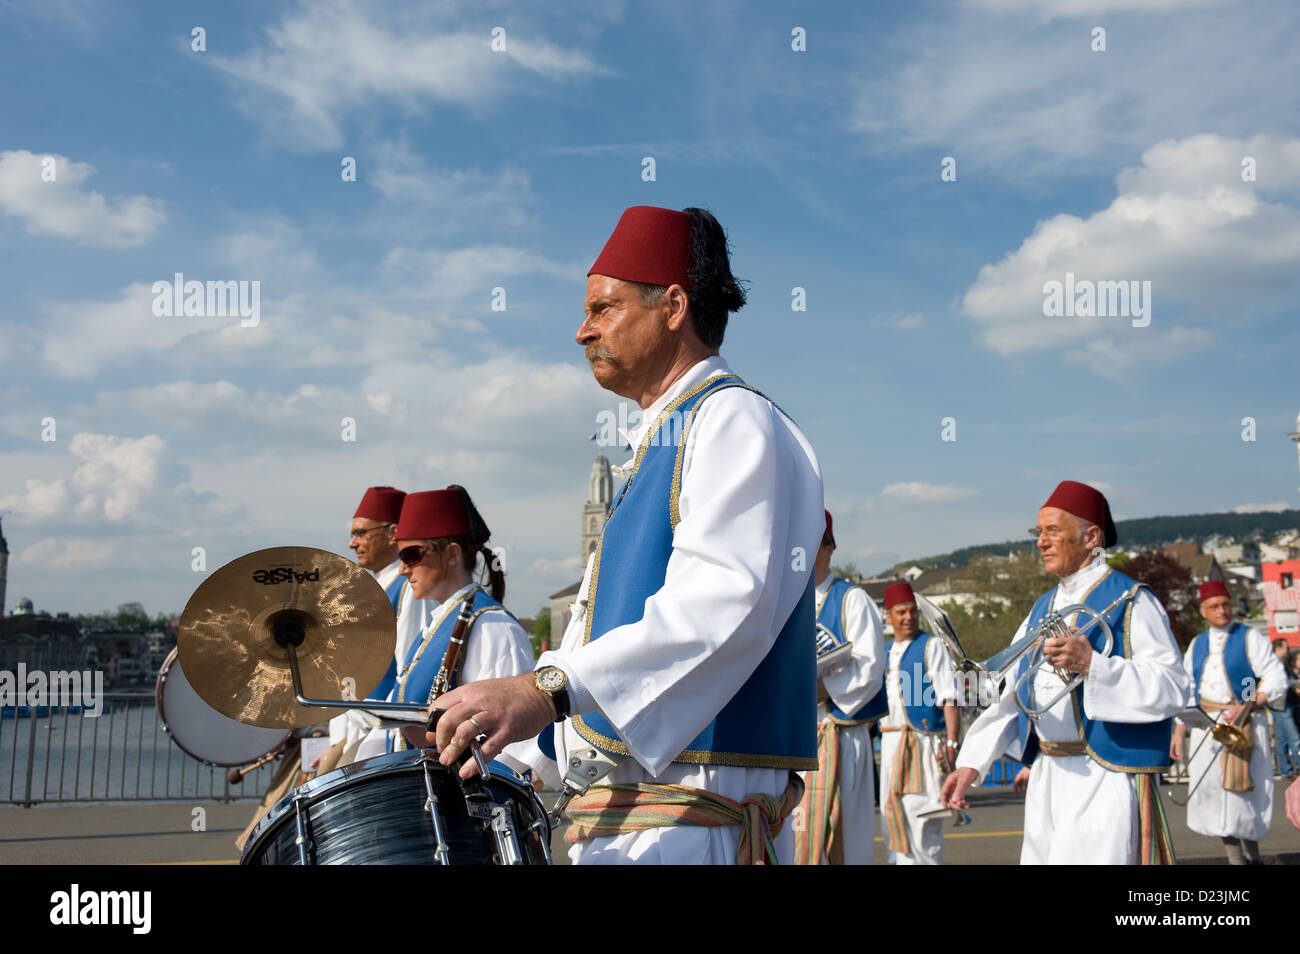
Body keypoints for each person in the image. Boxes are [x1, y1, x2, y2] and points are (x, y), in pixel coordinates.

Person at [414, 205, 825, 865]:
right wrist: (510, 755)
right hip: (632, 827)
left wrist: (540, 690)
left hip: (695, 827)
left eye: (603, 309)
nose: (582, 332)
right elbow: (591, 658)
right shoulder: (660, 447)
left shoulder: (733, 421)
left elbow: (723, 605)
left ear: (672, 305)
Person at [941, 480, 1191, 864]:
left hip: (1104, 776)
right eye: (1039, 533)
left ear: (1091, 536)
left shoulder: (1131, 599)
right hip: (1047, 776)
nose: (1041, 542)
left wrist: (1095, 665)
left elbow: (1174, 686)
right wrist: (972, 762)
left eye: (1052, 531)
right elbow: (1012, 693)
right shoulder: (1042, 607)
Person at [364, 487, 534, 769]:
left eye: (411, 555)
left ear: (452, 555)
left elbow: (512, 743)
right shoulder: (436, 625)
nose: (403, 569)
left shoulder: (492, 627)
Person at [1170, 582, 1287, 864]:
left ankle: (1252, 858)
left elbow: (1274, 677)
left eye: (1225, 604)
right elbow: (1187, 688)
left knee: (1242, 796)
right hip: (1208, 730)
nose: (1222, 610)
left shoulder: (1249, 637)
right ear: (1203, 611)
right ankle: (1235, 859)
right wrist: (1179, 730)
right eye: (1214, 606)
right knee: (1214, 796)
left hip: (1244, 727)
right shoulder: (1197, 644)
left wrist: (1249, 703)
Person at [321, 486, 435, 770]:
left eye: (361, 533)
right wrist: (338, 740)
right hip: (357, 730)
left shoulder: (407, 586)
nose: (352, 543)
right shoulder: (369, 590)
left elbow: (410, 673)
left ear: (392, 533)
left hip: (383, 735)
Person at [795, 510, 885, 865]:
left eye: (811, 543)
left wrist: (820, 688)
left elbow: (870, 666)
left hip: (839, 733)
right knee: (794, 834)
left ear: (829, 547)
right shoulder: (787, 602)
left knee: (844, 839)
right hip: (794, 738)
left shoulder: (852, 599)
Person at [873, 580, 959, 865]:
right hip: (889, 744)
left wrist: (951, 742)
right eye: (901, 612)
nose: (908, 617)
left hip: (922, 743)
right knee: (892, 819)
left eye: (912, 611)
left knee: (924, 822)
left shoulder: (931, 646)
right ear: (889, 616)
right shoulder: (882, 652)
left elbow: (949, 697)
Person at [1272, 639, 1300, 780]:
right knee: (1294, 738)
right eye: (1286, 648)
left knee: (1282, 740)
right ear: (1278, 648)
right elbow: (1282, 681)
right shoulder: (1275, 663)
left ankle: (1285, 770)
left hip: (1282, 704)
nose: (1289, 651)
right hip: (1281, 704)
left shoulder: (1282, 663)